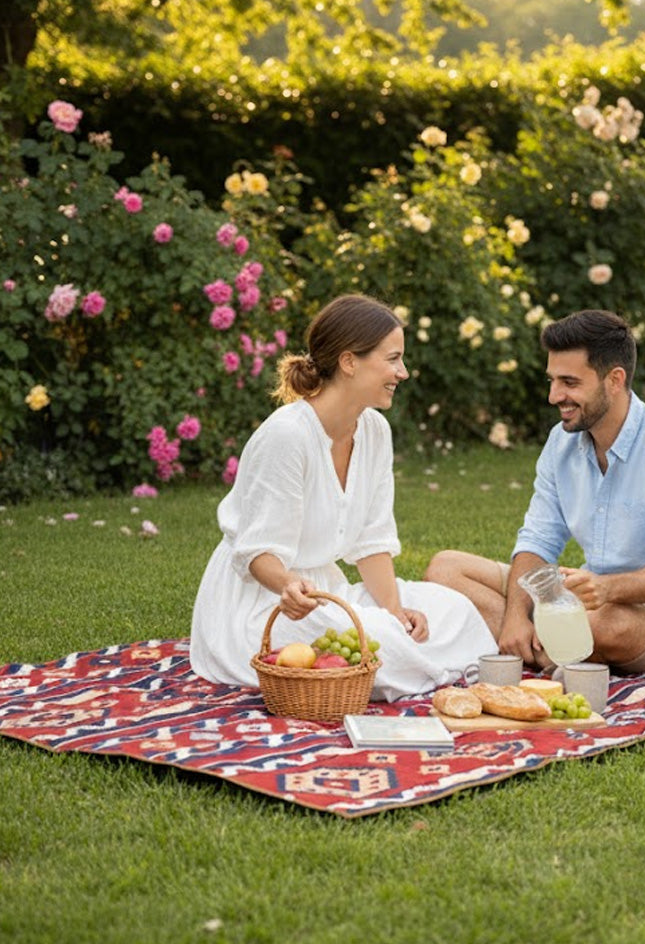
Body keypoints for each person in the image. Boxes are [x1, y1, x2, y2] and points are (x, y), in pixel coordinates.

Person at [190, 294, 497, 700]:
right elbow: (257, 552)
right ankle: (421, 668)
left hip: (326, 592)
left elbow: (371, 542)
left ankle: (409, 662)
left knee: (449, 609)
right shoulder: (287, 435)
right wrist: (289, 587)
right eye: (392, 359)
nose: (402, 372)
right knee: (375, 638)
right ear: (349, 361)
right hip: (266, 603)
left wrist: (395, 609)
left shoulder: (374, 431)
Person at [425, 308, 645, 674]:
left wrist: (607, 589)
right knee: (445, 568)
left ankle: (539, 652)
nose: (555, 395)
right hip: (586, 599)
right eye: (552, 380)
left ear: (614, 380)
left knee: (604, 623)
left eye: (569, 382)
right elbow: (538, 541)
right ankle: (546, 648)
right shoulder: (561, 443)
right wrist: (515, 616)